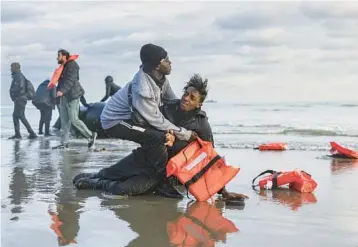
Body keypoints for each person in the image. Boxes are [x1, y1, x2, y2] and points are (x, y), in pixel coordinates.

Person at [74, 75, 248, 201]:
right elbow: (148, 127)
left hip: (162, 172)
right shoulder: (168, 107)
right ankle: (96, 176)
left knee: (124, 189)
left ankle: (97, 184)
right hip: (144, 156)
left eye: (192, 97)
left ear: (199, 104)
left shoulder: (201, 125)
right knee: (111, 173)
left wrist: (223, 192)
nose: (186, 98)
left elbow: (210, 159)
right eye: (186, 93)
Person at [100, 43, 196, 175]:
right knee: (158, 138)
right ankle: (158, 177)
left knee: (157, 141)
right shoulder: (142, 89)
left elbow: (172, 102)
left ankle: (148, 168)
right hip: (115, 121)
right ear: (157, 65)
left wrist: (192, 111)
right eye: (166, 60)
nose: (170, 62)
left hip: (136, 117)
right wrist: (185, 134)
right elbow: (156, 120)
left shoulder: (161, 79)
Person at [50, 49, 97, 149]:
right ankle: (64, 143)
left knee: (74, 119)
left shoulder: (72, 65)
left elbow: (71, 80)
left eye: (58, 55)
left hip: (72, 96)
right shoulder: (63, 67)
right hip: (63, 97)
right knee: (64, 121)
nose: (57, 58)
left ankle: (90, 136)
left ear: (64, 56)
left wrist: (62, 91)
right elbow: (61, 83)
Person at [8, 62, 37, 139]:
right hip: (20, 98)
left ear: (16, 68)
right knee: (17, 116)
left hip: (20, 98)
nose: (10, 69)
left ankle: (32, 133)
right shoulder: (17, 75)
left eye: (12, 67)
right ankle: (18, 134)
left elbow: (20, 87)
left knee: (19, 116)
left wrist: (13, 93)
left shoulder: (19, 76)